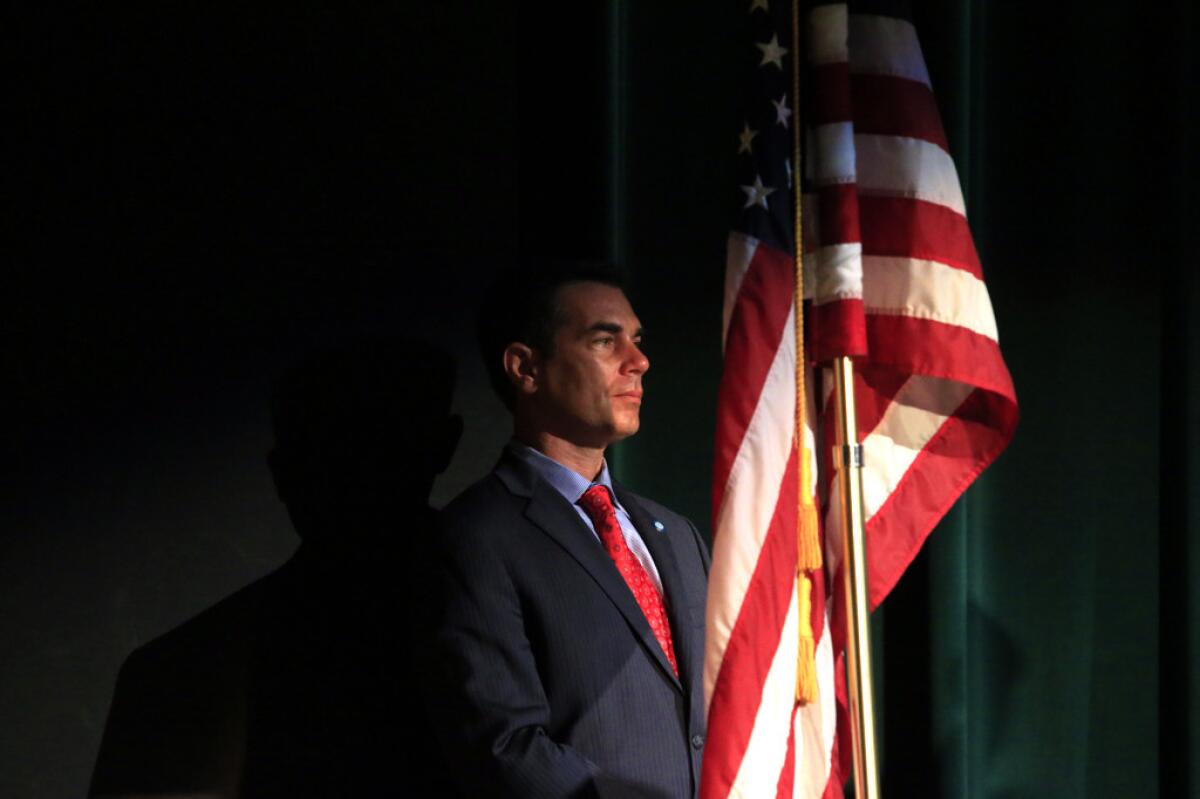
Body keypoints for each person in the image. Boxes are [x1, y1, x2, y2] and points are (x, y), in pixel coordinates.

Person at [90, 339, 462, 798]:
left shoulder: (190, 665)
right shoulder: (189, 670)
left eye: (377, 446)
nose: (355, 479)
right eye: (330, 453)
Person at [431, 265, 710, 798]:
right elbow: (504, 746)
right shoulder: (476, 537)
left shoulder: (676, 534)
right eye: (605, 341)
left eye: (637, 340)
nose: (640, 362)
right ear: (525, 368)